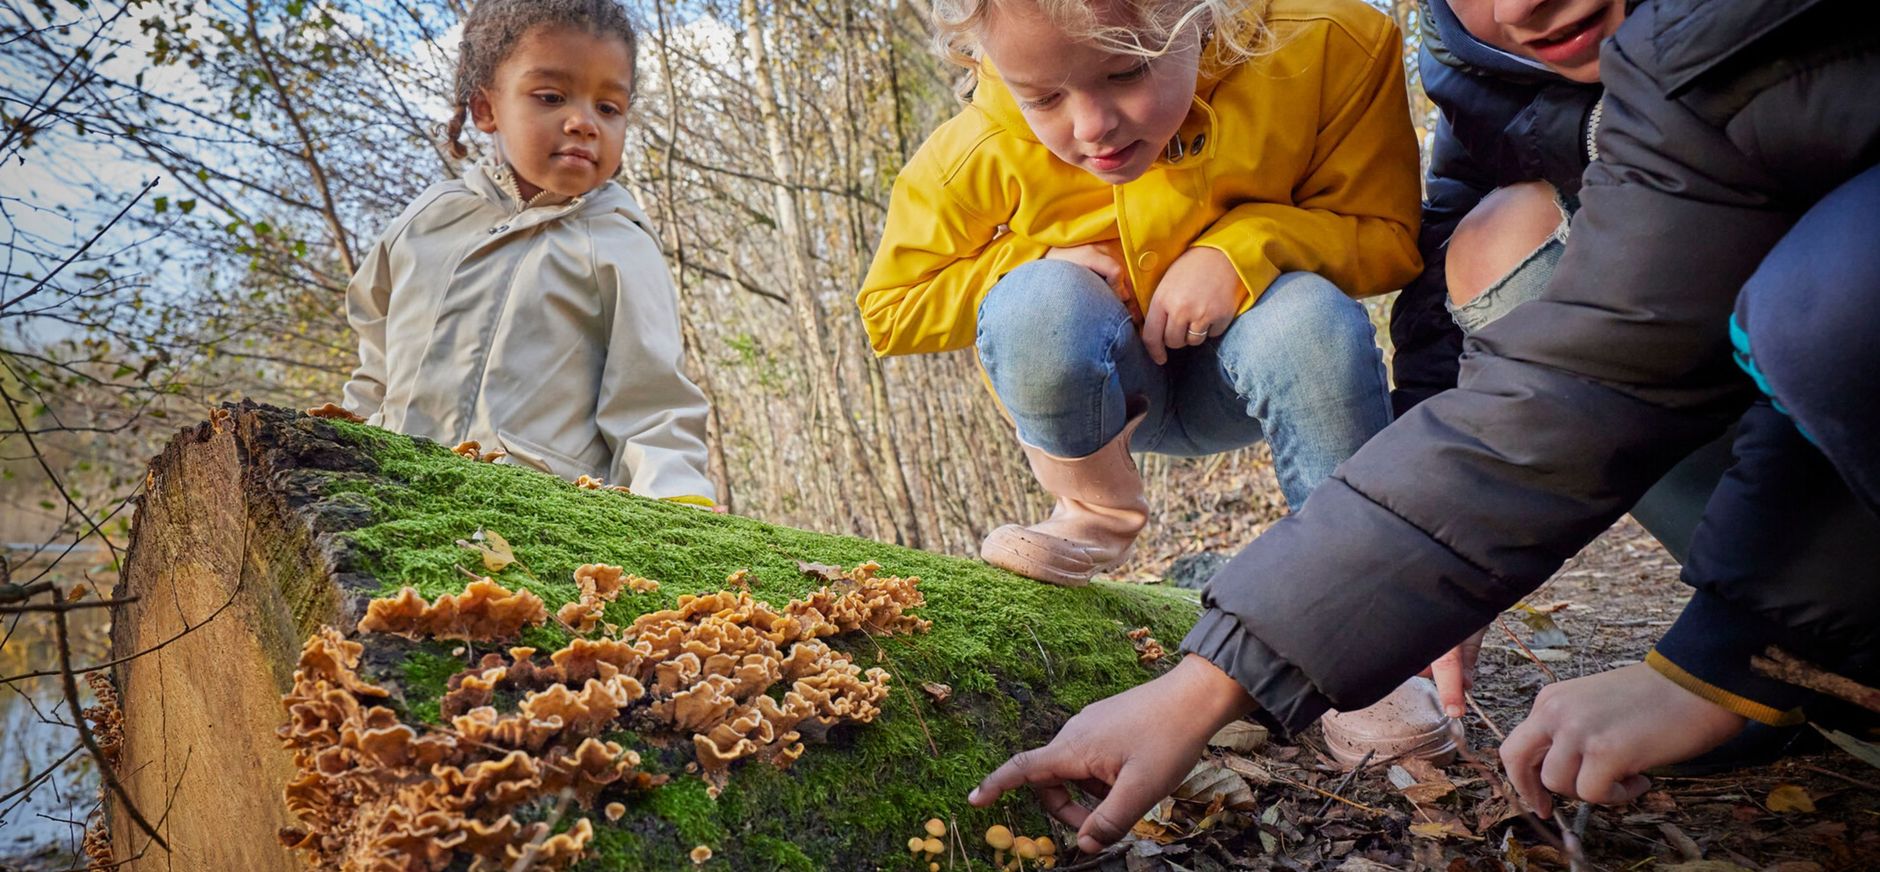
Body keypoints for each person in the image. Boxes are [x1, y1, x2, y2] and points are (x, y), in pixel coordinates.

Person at [970, 0, 1880, 850]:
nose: (1523, 6)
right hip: (1763, 432)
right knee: (1498, 236)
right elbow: (1571, 379)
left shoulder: (1340, 47)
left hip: (1819, 339)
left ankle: (1803, 638)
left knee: (1830, 303)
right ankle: (1810, 639)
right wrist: (1216, 682)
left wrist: (1724, 658)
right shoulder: (1482, 77)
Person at [858, 0, 1456, 762]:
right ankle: (1091, 512)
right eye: (1043, 97)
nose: (1092, 126)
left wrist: (1244, 248)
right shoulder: (979, 141)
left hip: (1262, 366)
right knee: (1035, 300)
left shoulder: (1331, 44)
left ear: (1206, 17)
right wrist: (1025, 267)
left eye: (1126, 71)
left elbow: (1389, 232)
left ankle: (1364, 620)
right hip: (1112, 396)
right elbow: (888, 307)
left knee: (1305, 311)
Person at [340, 0, 716, 506]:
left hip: (541, 523)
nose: (584, 122)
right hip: (391, 500)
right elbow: (376, 365)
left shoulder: (620, 243)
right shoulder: (427, 220)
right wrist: (342, 454)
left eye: (608, 108)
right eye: (551, 96)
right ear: (485, 109)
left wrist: (679, 506)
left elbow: (652, 406)